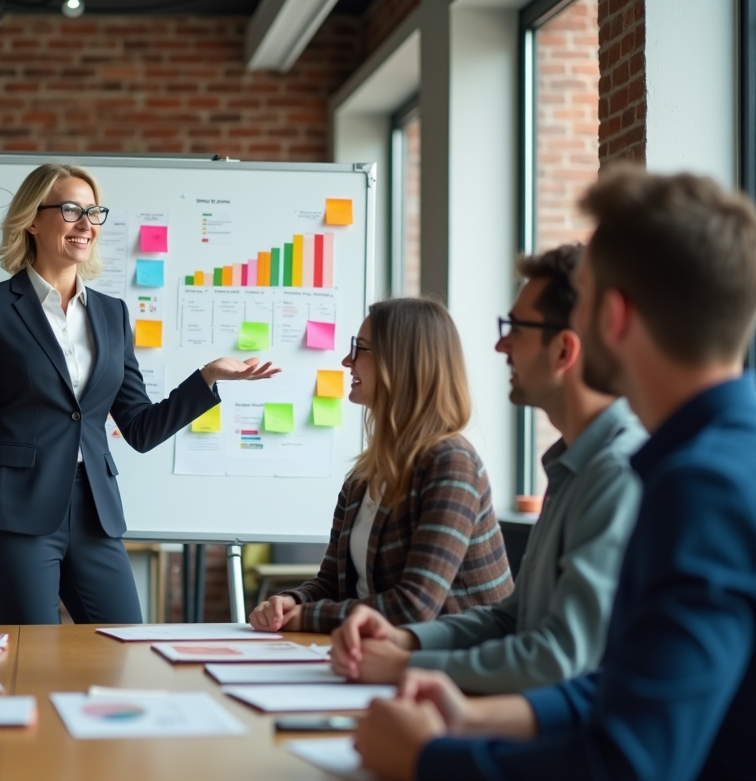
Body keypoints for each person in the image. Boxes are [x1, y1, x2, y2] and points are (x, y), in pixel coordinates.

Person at [355, 167, 756, 781]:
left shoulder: (701, 487)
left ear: (612, 319)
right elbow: (623, 686)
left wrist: (429, 759)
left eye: (585, 298)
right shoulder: (710, 459)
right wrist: (475, 717)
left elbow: (630, 760)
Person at [0, 163, 279, 624]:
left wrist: (207, 378)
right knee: (35, 655)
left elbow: (140, 428)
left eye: (94, 212)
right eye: (70, 210)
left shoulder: (112, 314)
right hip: (15, 511)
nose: (86, 224)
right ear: (31, 220)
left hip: (94, 511)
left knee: (124, 646)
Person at [329, 245, 645, 693]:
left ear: (564, 350)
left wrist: (404, 666)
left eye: (515, 328)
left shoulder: (616, 474)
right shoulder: (570, 465)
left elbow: (560, 659)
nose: (500, 345)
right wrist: (402, 640)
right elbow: (508, 619)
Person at [249, 298, 513, 634]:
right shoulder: (362, 478)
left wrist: (306, 618)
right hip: (383, 658)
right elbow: (333, 582)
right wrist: (293, 602)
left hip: (460, 670)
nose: (347, 361)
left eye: (360, 348)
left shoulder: (451, 463)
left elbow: (414, 606)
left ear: (400, 362)